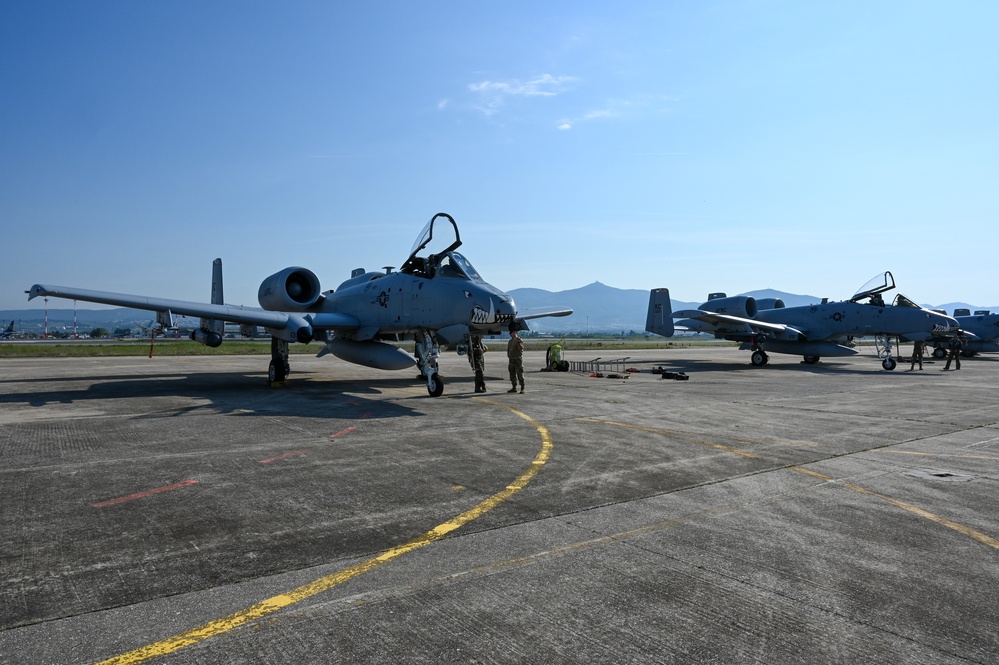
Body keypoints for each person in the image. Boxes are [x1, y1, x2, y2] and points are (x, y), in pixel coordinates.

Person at [507, 328, 525, 393]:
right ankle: (514, 387)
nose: (511, 334)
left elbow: (521, 348)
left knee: (520, 373)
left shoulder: (519, 340)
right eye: (510, 333)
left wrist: (518, 343)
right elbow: (508, 349)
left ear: (515, 332)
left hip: (517, 359)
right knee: (512, 374)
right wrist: (508, 355)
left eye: (512, 333)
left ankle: (522, 388)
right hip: (511, 360)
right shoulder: (510, 341)